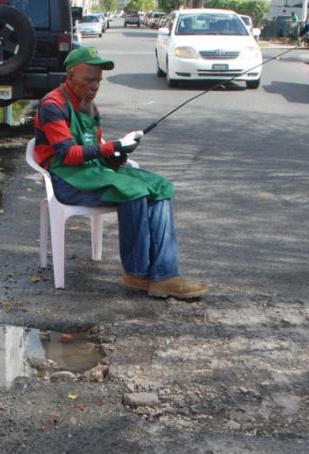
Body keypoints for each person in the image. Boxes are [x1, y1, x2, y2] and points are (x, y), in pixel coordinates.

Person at [32, 46, 207, 300]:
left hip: (93, 172)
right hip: (66, 179)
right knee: (132, 191)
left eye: (98, 81)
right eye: (88, 79)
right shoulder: (52, 105)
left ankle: (164, 275)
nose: (94, 86)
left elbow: (97, 151)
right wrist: (112, 146)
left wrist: (120, 152)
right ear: (70, 76)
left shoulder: (90, 107)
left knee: (160, 186)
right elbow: (67, 154)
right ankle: (136, 273)